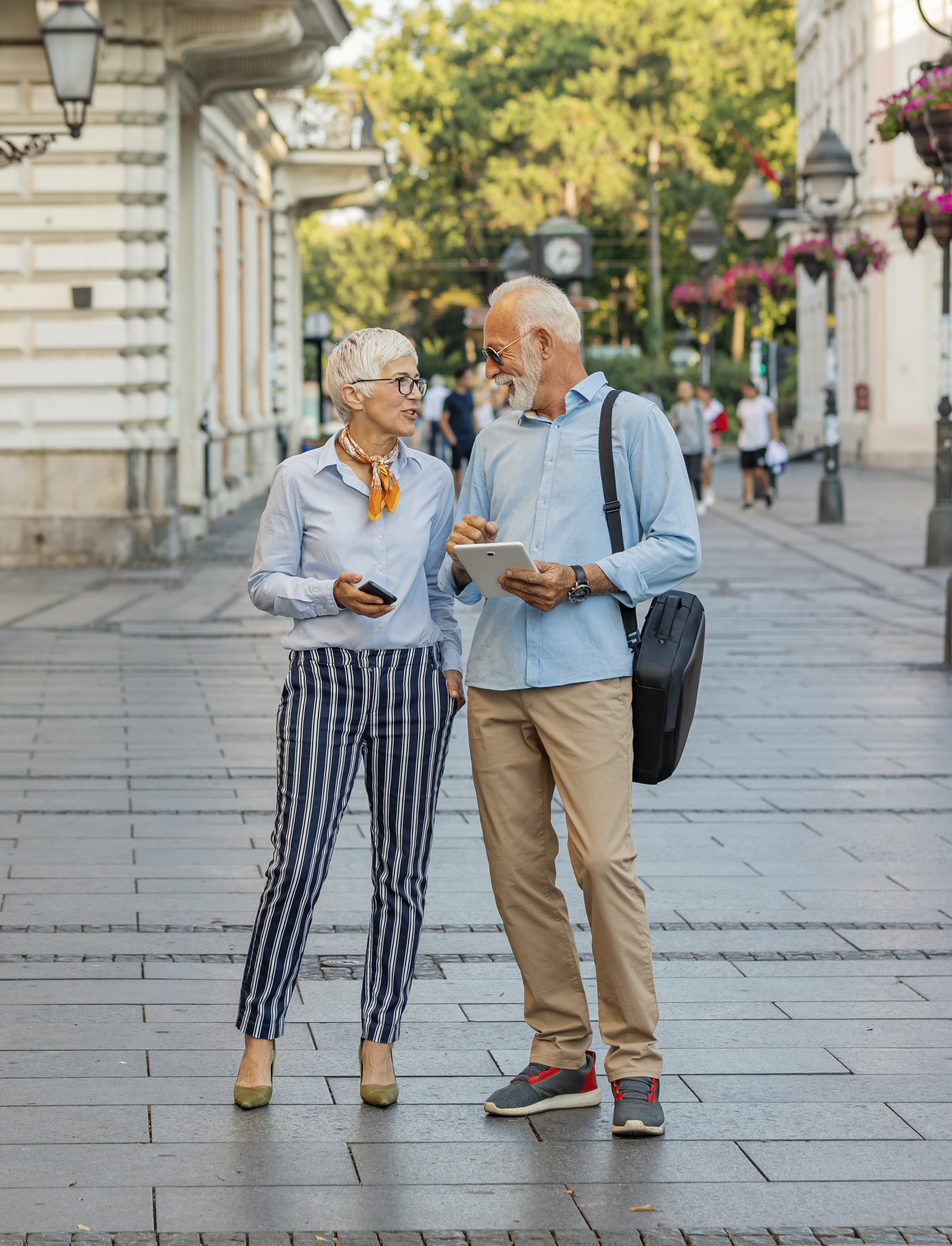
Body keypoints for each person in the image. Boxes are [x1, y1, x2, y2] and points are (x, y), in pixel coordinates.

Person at [443, 276, 701, 1138]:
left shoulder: (632, 422)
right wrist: (462, 551)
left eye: (497, 350)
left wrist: (582, 577)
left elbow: (678, 545)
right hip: (495, 679)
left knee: (602, 864)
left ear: (545, 342)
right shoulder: (493, 441)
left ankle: (636, 1065)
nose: (490, 367)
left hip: (589, 672)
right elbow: (461, 577)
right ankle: (561, 1053)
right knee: (518, 873)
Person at [236, 328, 465, 1111]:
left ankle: (378, 1043)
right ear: (353, 394)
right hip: (324, 681)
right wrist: (328, 592)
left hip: (413, 681)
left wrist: (451, 660)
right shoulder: (300, 478)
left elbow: (437, 585)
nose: (414, 394)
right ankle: (260, 1040)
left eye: (416, 379)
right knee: (297, 863)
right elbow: (265, 583)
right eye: (400, 381)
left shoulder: (434, 480)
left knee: (401, 873)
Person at [668, 379, 709, 514]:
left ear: (692, 391)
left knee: (696, 476)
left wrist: (706, 451)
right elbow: (671, 428)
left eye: (686, 389)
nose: (683, 392)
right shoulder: (676, 407)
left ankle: (700, 499)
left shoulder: (697, 406)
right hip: (681, 448)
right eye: (681, 389)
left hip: (695, 447)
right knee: (684, 479)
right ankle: (688, 503)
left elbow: (703, 428)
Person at [735, 380, 778, 509]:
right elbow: (739, 422)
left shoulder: (765, 402)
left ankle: (767, 490)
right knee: (747, 471)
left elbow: (772, 421)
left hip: (760, 441)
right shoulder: (742, 404)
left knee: (759, 471)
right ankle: (749, 499)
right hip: (745, 442)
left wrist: (776, 439)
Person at [441, 365, 479, 495]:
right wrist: (452, 440)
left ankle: (471, 497)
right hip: (458, 440)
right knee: (457, 472)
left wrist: (477, 432)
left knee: (474, 471)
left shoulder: (469, 395)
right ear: (460, 379)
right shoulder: (450, 398)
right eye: (468, 377)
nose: (470, 380)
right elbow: (443, 420)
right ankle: (459, 499)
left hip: (470, 438)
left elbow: (472, 414)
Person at [422, 374, 450, 458]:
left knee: (432, 442)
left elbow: (427, 409)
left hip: (433, 420)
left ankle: (432, 457)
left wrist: (426, 423)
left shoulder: (429, 393)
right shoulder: (446, 392)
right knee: (444, 442)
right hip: (443, 419)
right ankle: (444, 458)